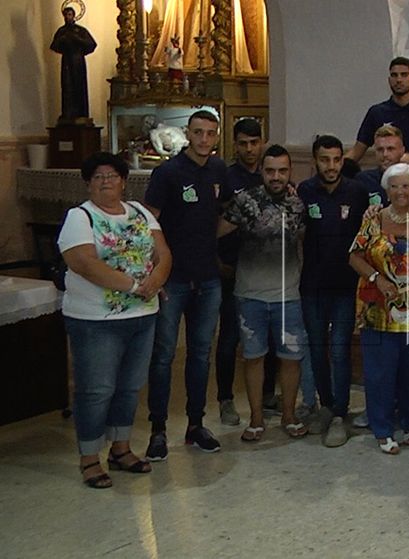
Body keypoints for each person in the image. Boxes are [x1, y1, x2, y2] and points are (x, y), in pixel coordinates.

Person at [60, 152, 170, 488]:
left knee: (129, 387)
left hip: (142, 315)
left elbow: (163, 253)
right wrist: (135, 286)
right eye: (98, 177)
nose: (105, 181)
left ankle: (121, 449)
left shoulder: (139, 212)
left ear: (123, 181)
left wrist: (157, 280)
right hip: (96, 319)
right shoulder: (80, 217)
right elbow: (83, 262)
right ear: (88, 184)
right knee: (97, 390)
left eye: (112, 175)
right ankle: (90, 458)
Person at [142, 109, 228, 459]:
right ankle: (158, 430)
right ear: (188, 134)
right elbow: (149, 224)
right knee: (163, 355)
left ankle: (196, 425)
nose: (204, 139)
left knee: (201, 355)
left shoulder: (219, 169)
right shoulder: (168, 173)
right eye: (198, 132)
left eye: (210, 133)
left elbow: (224, 213)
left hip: (207, 278)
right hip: (173, 280)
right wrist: (154, 273)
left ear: (217, 136)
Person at [216, 145, 310, 441]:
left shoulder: (298, 204)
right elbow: (215, 233)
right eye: (270, 171)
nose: (276, 176)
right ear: (262, 171)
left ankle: (289, 415)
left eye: (282, 171)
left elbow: (303, 241)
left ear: (290, 171)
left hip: (288, 295)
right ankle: (256, 419)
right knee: (254, 357)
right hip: (250, 295)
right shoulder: (244, 201)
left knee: (291, 358)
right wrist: (217, 265)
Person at [349, 163, 409, 454]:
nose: (400, 191)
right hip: (378, 308)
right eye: (394, 186)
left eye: (406, 186)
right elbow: (355, 256)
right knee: (380, 373)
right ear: (386, 191)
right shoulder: (373, 220)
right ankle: (382, 429)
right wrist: (377, 278)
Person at [298, 135, 369, 447]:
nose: (331, 166)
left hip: (345, 285)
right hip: (312, 284)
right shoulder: (305, 191)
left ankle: (341, 413)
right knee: (316, 349)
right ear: (315, 161)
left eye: (336, 160)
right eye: (325, 160)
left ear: (343, 160)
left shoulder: (357, 192)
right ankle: (325, 406)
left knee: (340, 350)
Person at [215, 117, 268, 428]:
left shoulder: (270, 174)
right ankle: (225, 399)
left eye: (254, 142)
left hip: (265, 270)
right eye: (243, 143)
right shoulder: (225, 176)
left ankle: (268, 396)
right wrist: (216, 260)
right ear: (234, 145)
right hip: (232, 268)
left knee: (269, 334)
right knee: (230, 336)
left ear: (262, 142)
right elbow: (212, 223)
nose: (249, 149)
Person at [349, 57, 409, 168]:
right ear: (389, 80)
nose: (398, 80)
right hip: (387, 176)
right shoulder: (377, 112)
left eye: (404, 75)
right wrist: (337, 166)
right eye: (394, 75)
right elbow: (357, 151)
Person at [50, 5, 97, 123]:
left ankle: (81, 113)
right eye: (66, 15)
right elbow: (54, 46)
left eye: (70, 15)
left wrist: (77, 39)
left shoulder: (80, 31)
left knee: (79, 86)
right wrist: (62, 40)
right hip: (67, 61)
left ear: (74, 16)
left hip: (78, 61)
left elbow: (91, 44)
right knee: (67, 87)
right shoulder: (61, 31)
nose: (68, 17)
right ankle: (68, 113)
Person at [354, 124, 407, 204]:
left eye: (390, 149)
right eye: (380, 149)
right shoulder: (363, 180)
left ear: (402, 151)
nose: (385, 154)